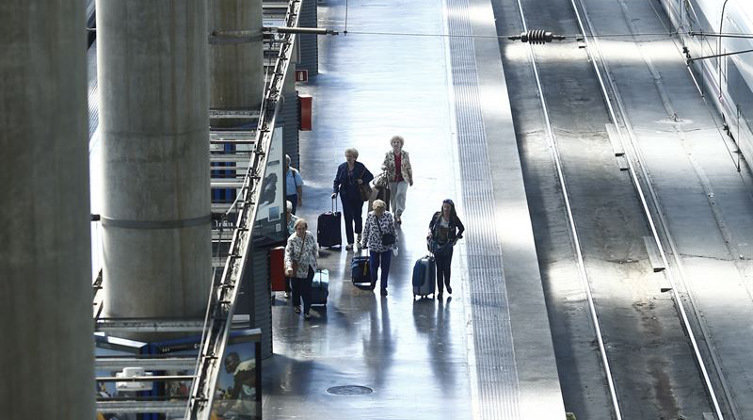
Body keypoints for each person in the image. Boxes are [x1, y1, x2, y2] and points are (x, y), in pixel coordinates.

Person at [332, 148, 374, 250]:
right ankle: (350, 242)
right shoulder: (342, 167)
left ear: (355, 157)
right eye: (347, 156)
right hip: (345, 196)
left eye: (350, 157)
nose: (348, 158)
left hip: (358, 195)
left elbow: (370, 176)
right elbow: (336, 181)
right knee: (347, 218)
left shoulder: (360, 167)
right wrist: (335, 192)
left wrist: (362, 180)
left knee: (357, 217)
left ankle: (358, 239)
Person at [427, 199, 465, 298]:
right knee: (439, 268)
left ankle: (447, 284)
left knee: (447, 267)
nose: (446, 209)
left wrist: (456, 238)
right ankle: (440, 291)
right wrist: (430, 232)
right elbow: (431, 224)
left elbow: (462, 228)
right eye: (444, 207)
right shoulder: (437, 216)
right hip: (437, 245)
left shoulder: (454, 219)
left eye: (448, 207)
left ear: (451, 208)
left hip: (448, 246)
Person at [360, 199, 397, 296]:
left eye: (381, 210)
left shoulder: (388, 216)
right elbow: (366, 229)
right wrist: (363, 243)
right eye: (378, 210)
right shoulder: (370, 216)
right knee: (373, 266)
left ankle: (383, 287)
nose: (380, 212)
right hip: (373, 246)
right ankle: (373, 280)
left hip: (386, 247)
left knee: (385, 268)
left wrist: (395, 245)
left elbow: (393, 230)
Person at [285, 218, 319, 319]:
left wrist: (316, 257)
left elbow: (314, 247)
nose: (301, 231)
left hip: (309, 267)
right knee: (295, 287)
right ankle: (296, 305)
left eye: (303, 228)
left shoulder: (309, 236)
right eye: (299, 229)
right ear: (295, 229)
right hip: (296, 268)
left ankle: (307, 310)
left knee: (306, 289)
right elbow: (288, 254)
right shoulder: (292, 240)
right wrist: (289, 266)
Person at [382, 135, 413, 225]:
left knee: (401, 194)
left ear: (401, 144)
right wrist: (384, 167)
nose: (396, 144)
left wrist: (411, 178)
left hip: (403, 178)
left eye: (398, 142)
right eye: (394, 142)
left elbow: (408, 167)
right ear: (391, 144)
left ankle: (399, 213)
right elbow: (384, 164)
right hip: (392, 178)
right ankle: (395, 213)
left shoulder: (405, 154)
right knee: (393, 197)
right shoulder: (388, 154)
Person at [283, 200, 299, 299]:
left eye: (288, 212)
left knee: (294, 269)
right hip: (283, 247)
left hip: (293, 248)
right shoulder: (279, 219)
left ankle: (296, 289)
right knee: (285, 269)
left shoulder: (296, 221)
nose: (286, 214)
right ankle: (287, 289)